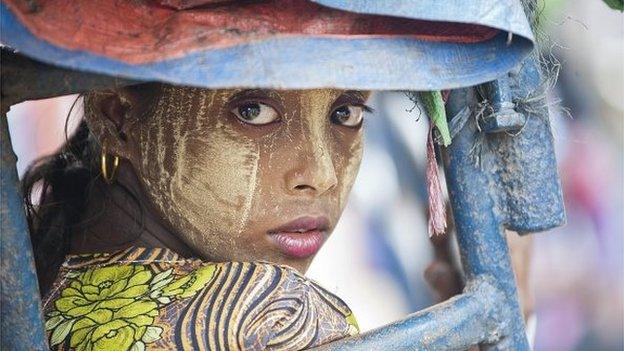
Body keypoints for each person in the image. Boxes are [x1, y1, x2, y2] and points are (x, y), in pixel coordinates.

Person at [25, 85, 371, 350]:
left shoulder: (37, 273)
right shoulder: (268, 316)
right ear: (119, 120)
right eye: (253, 111)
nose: (323, 174)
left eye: (345, 113)